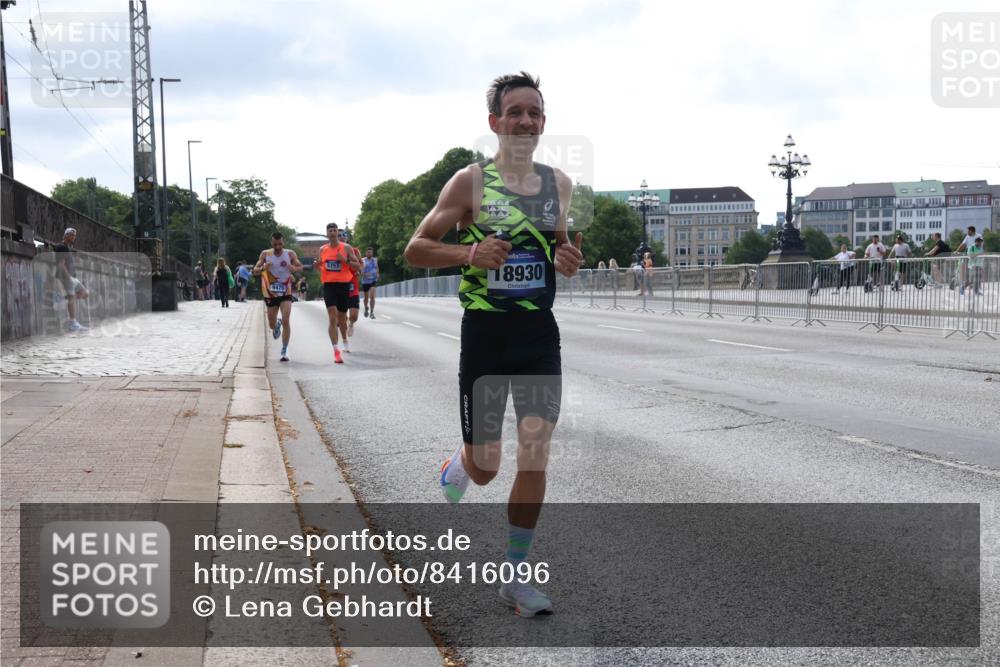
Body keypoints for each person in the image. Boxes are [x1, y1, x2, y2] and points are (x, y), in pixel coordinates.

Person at [404, 72, 583, 618]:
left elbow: (558, 249)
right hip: (484, 335)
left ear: (544, 122)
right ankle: (461, 463)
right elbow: (416, 249)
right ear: (495, 122)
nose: (525, 121)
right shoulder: (470, 183)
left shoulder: (559, 185)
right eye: (515, 112)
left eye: (534, 112)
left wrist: (567, 259)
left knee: (535, 452)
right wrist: (468, 254)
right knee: (486, 468)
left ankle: (516, 577)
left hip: (537, 336)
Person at [252, 232, 303, 362]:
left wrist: (294, 268)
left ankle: (284, 350)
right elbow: (255, 271)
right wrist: (263, 268)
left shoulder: (290, 254)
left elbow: (300, 267)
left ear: (283, 242)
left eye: (280, 244)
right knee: (271, 324)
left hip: (286, 292)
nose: (278, 247)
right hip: (270, 293)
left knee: (286, 319)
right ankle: (276, 324)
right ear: (272, 243)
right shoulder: (265, 254)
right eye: (275, 244)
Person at [320, 222, 362, 363]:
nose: (333, 232)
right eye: (330, 230)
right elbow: (321, 266)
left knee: (342, 320)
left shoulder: (346, 248)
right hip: (329, 286)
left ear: (337, 232)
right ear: (327, 233)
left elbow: (357, 266)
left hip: (343, 286)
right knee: (332, 318)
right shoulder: (322, 249)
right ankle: (336, 351)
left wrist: (345, 260)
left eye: (335, 230)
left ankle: (345, 340)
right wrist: (316, 266)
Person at [53, 227, 89, 331]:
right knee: (72, 297)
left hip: (72, 278)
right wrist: (68, 277)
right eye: (71, 235)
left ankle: (63, 299)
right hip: (66, 277)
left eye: (74, 235)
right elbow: (61, 264)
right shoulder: (62, 247)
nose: (73, 237)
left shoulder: (67, 248)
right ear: (66, 235)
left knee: (85, 293)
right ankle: (73, 323)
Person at [346, 242, 363, 339]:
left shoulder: (355, 251)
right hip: (339, 286)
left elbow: (361, 264)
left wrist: (359, 271)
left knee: (354, 316)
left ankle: (351, 323)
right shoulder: (333, 252)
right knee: (340, 315)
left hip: (352, 286)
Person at [361, 247, 380, 319]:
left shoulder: (375, 260)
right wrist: (365, 274)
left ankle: (372, 312)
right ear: (366, 253)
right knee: (366, 298)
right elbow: (360, 270)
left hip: (373, 280)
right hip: (365, 281)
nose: (370, 254)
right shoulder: (363, 260)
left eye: (371, 252)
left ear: (372, 253)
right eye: (368, 252)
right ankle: (366, 308)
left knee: (372, 297)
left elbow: (377, 267)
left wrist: (377, 273)